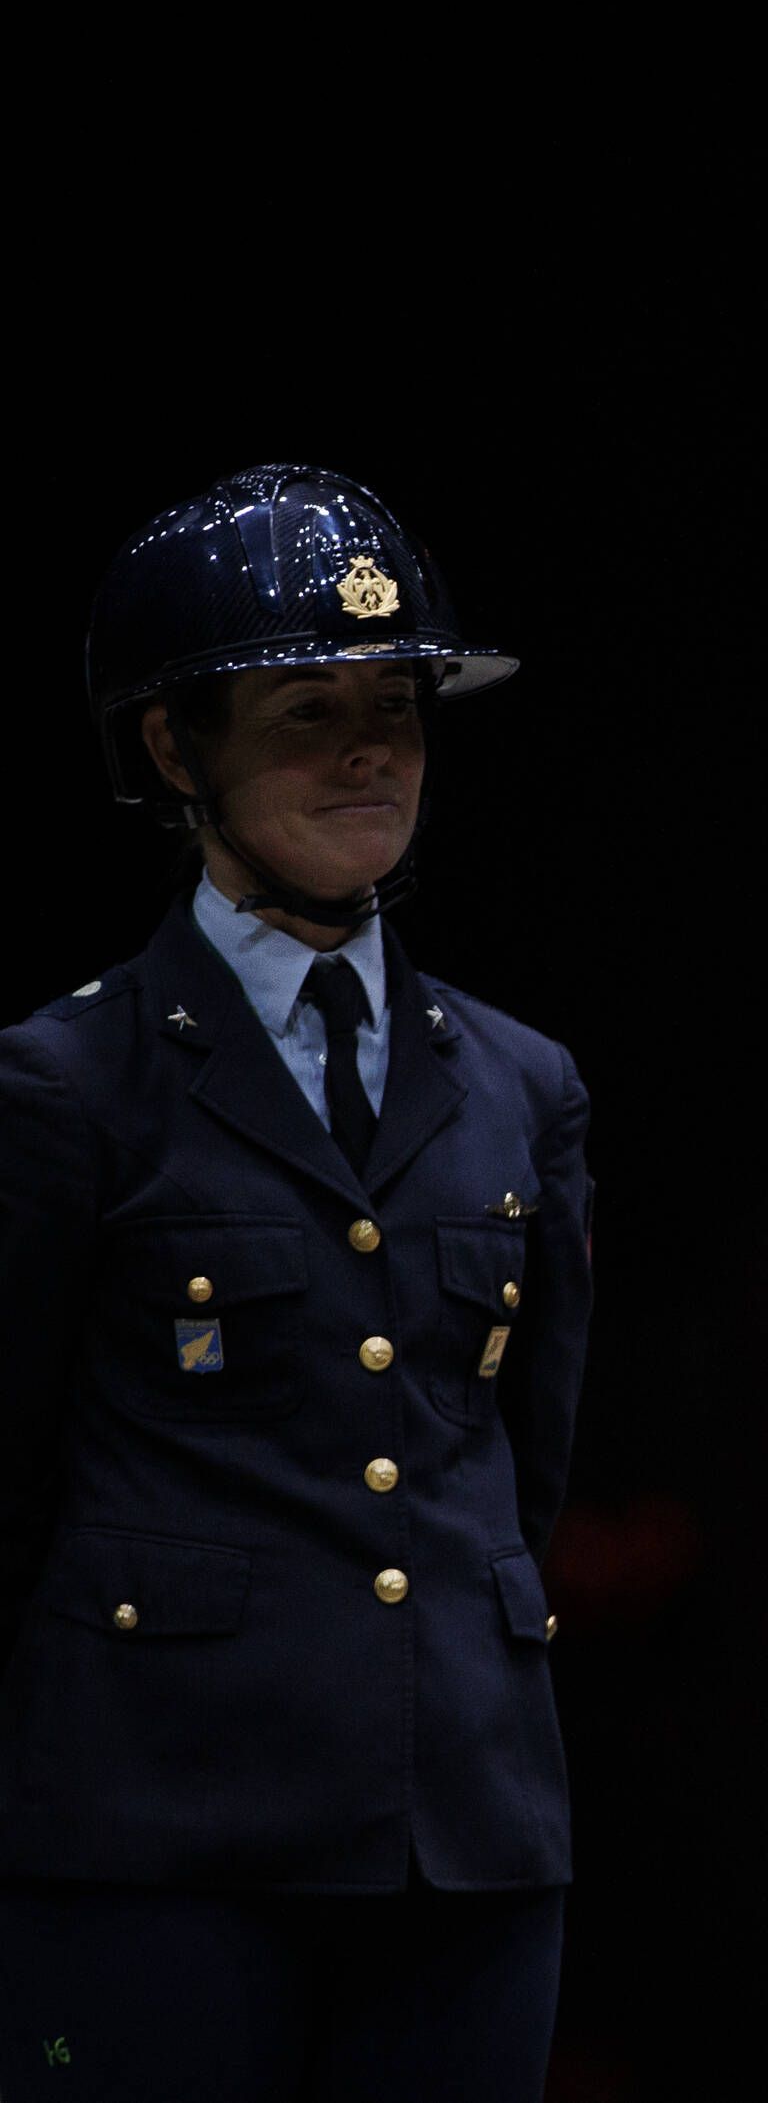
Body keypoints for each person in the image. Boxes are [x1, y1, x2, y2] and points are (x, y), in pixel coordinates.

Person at [0, 466, 592, 2102]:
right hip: (161, 1837)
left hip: (460, 1838)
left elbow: (515, 1465)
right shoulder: (66, 1086)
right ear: (175, 747)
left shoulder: (521, 1084)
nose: (370, 750)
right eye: (307, 708)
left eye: (398, 705)